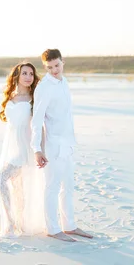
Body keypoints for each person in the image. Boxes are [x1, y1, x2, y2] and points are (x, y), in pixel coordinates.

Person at [30, 49, 93, 242]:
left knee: (69, 187)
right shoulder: (44, 87)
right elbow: (37, 119)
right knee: (52, 187)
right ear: (45, 67)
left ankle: (69, 226)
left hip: (67, 144)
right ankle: (52, 228)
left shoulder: (64, 82)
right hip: (53, 146)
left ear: (62, 62)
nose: (54, 70)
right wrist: (37, 148)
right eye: (49, 67)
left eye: (57, 65)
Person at [0, 62, 45, 238]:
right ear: (17, 75)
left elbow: (40, 127)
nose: (28, 77)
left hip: (25, 148)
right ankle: (20, 224)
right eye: (24, 73)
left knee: (0, 179)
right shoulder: (11, 97)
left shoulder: (34, 99)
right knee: (17, 187)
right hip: (11, 146)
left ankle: (10, 223)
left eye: (31, 74)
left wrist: (40, 150)